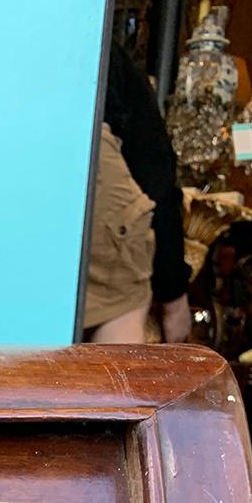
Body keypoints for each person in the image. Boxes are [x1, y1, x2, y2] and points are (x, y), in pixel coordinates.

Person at [84, 42, 191, 344]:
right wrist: (173, 297)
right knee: (113, 377)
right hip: (96, 161)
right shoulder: (104, 51)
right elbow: (154, 173)